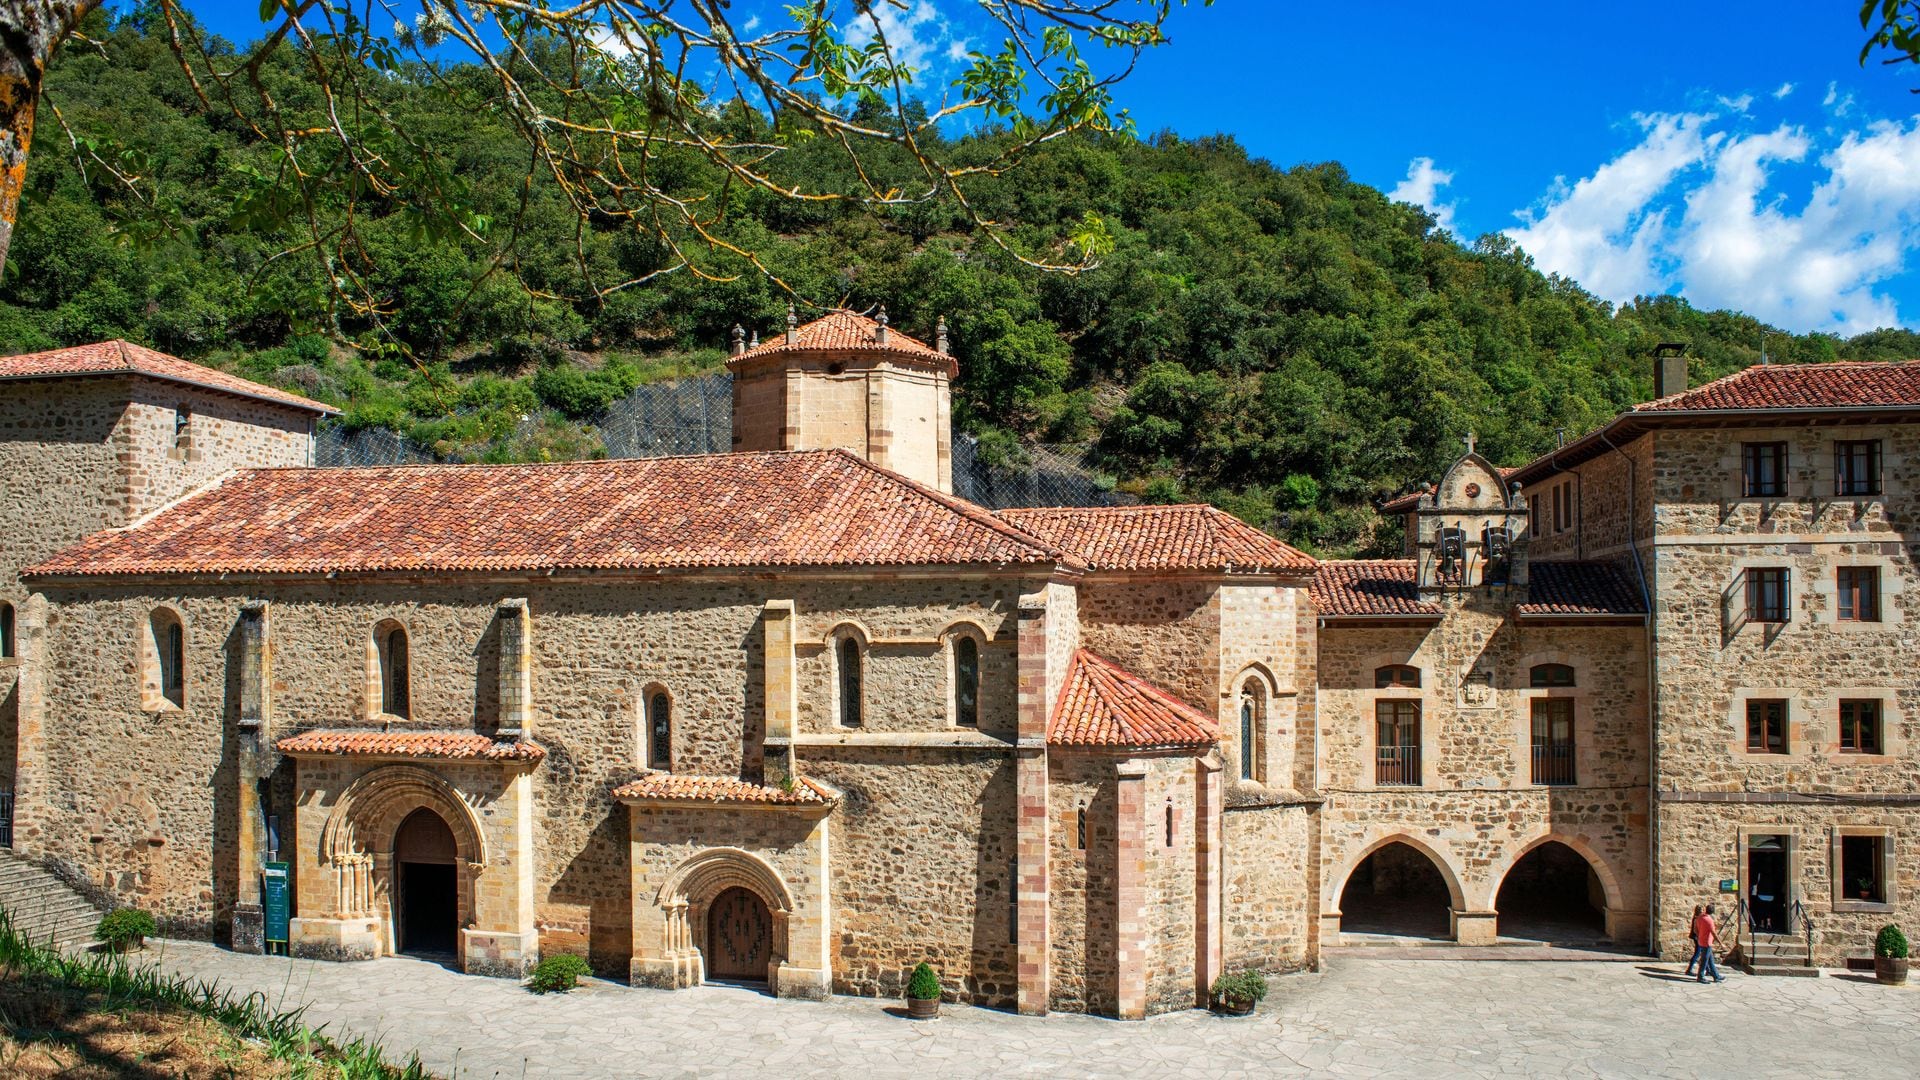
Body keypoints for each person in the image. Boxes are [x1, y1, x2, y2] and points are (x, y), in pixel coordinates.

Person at [1691, 904, 1724, 983]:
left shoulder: (1699, 918)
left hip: (1701, 941)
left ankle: (1716, 976)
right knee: (1704, 960)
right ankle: (1700, 976)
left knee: (1710, 960)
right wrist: (1721, 943)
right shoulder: (1709, 920)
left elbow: (1695, 930)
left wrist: (1700, 936)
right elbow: (1713, 933)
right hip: (1707, 942)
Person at [1683, 905, 1704, 976]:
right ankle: (1689, 969)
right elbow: (1695, 930)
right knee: (1698, 953)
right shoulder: (1696, 918)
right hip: (1697, 938)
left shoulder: (1697, 918)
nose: (1702, 911)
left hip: (1697, 937)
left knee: (1702, 953)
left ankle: (1708, 969)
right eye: (1701, 910)